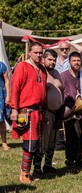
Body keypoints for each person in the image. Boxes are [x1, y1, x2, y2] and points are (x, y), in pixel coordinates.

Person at [9, 42, 47, 184]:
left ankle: (33, 171)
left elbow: (43, 91)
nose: (38, 55)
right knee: (30, 143)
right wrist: (14, 108)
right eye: (36, 52)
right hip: (27, 112)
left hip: (40, 111)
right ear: (29, 53)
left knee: (38, 144)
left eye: (40, 52)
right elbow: (15, 88)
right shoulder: (23, 67)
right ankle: (24, 173)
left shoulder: (42, 69)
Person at [60, 52, 82, 174]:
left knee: (81, 137)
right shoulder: (63, 76)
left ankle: (78, 160)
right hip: (70, 112)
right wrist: (72, 104)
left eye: (78, 61)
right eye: (74, 60)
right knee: (71, 137)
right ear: (69, 62)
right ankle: (70, 161)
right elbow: (61, 92)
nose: (76, 63)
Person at [33, 49, 64, 177]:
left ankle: (48, 165)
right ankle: (36, 169)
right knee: (43, 141)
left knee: (53, 140)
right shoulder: (40, 73)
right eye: (50, 59)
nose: (52, 62)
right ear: (43, 59)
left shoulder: (56, 73)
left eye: (54, 60)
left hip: (57, 112)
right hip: (46, 111)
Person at [0, 60, 11, 151]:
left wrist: (8, 95)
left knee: (1, 120)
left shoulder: (1, 65)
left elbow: (7, 80)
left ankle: (4, 143)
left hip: (0, 96)